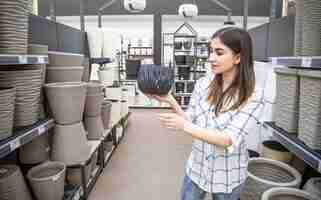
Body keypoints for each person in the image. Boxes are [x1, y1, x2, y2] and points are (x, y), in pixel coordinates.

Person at [150, 27, 264, 200]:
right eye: (210, 51)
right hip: (197, 167)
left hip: (227, 174)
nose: (211, 58)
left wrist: (184, 126)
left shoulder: (253, 95)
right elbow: (190, 118)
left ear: (238, 57)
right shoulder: (203, 84)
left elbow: (228, 139)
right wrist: (170, 100)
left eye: (219, 52)